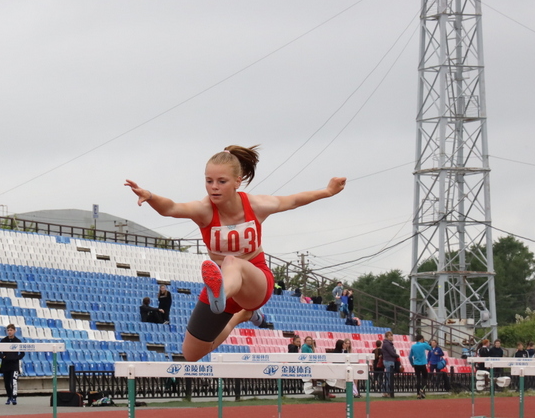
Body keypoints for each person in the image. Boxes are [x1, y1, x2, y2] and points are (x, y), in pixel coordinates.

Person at [126, 145, 345, 361]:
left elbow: (294, 200)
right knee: (192, 354)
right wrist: (150, 196)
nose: (214, 187)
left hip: (255, 282)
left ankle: (223, 294)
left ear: (237, 182)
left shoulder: (256, 205)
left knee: (232, 261)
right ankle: (240, 316)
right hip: (222, 288)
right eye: (209, 181)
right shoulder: (204, 210)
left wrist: (327, 191)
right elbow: (171, 208)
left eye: (222, 181)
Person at [0, 323, 24, 405]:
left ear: (15, 331)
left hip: (14, 364)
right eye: (8, 330)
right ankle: (9, 397)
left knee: (14, 381)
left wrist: (16, 358)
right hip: (5, 364)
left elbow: (22, 353)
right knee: (6, 382)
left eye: (11, 330)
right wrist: (3, 357)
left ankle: (14, 397)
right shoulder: (3, 341)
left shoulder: (18, 341)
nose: (9, 332)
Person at [409, 334, 430, 399]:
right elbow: (430, 348)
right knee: (425, 377)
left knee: (418, 378)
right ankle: (422, 389)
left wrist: (412, 363)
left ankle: (418, 394)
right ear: (421, 339)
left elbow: (410, 357)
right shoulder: (423, 344)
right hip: (423, 363)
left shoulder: (413, 346)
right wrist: (425, 342)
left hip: (416, 364)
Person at [380, 332, 400, 398]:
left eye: (391, 336)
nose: (391, 337)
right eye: (389, 336)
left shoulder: (388, 344)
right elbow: (392, 353)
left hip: (389, 360)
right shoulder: (387, 344)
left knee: (388, 377)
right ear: (386, 337)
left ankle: (386, 391)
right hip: (389, 361)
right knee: (388, 377)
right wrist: (397, 355)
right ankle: (387, 392)